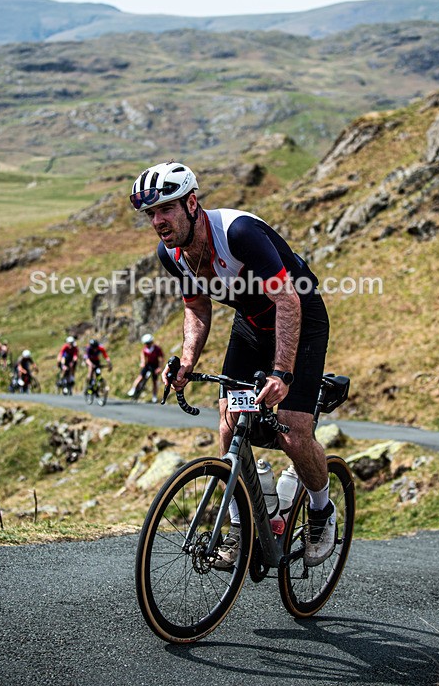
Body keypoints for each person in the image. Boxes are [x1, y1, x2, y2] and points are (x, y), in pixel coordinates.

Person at [129, 161, 333, 569]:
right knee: (228, 423)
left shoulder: (237, 233)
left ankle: (321, 510)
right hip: (252, 324)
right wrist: (187, 361)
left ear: (191, 204)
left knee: (293, 431)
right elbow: (197, 308)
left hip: (300, 317)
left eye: (165, 209)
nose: (158, 221)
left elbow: (288, 301)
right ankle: (242, 527)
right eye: (151, 214)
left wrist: (281, 373)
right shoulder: (171, 253)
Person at [127, 333, 165, 403]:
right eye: (146, 343)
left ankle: (154, 396)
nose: (147, 345)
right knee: (140, 377)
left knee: (154, 382)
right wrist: (142, 362)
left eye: (148, 343)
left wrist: (159, 368)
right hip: (148, 365)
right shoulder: (145, 349)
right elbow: (143, 356)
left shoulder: (157, 349)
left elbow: (161, 359)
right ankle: (133, 389)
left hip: (155, 366)